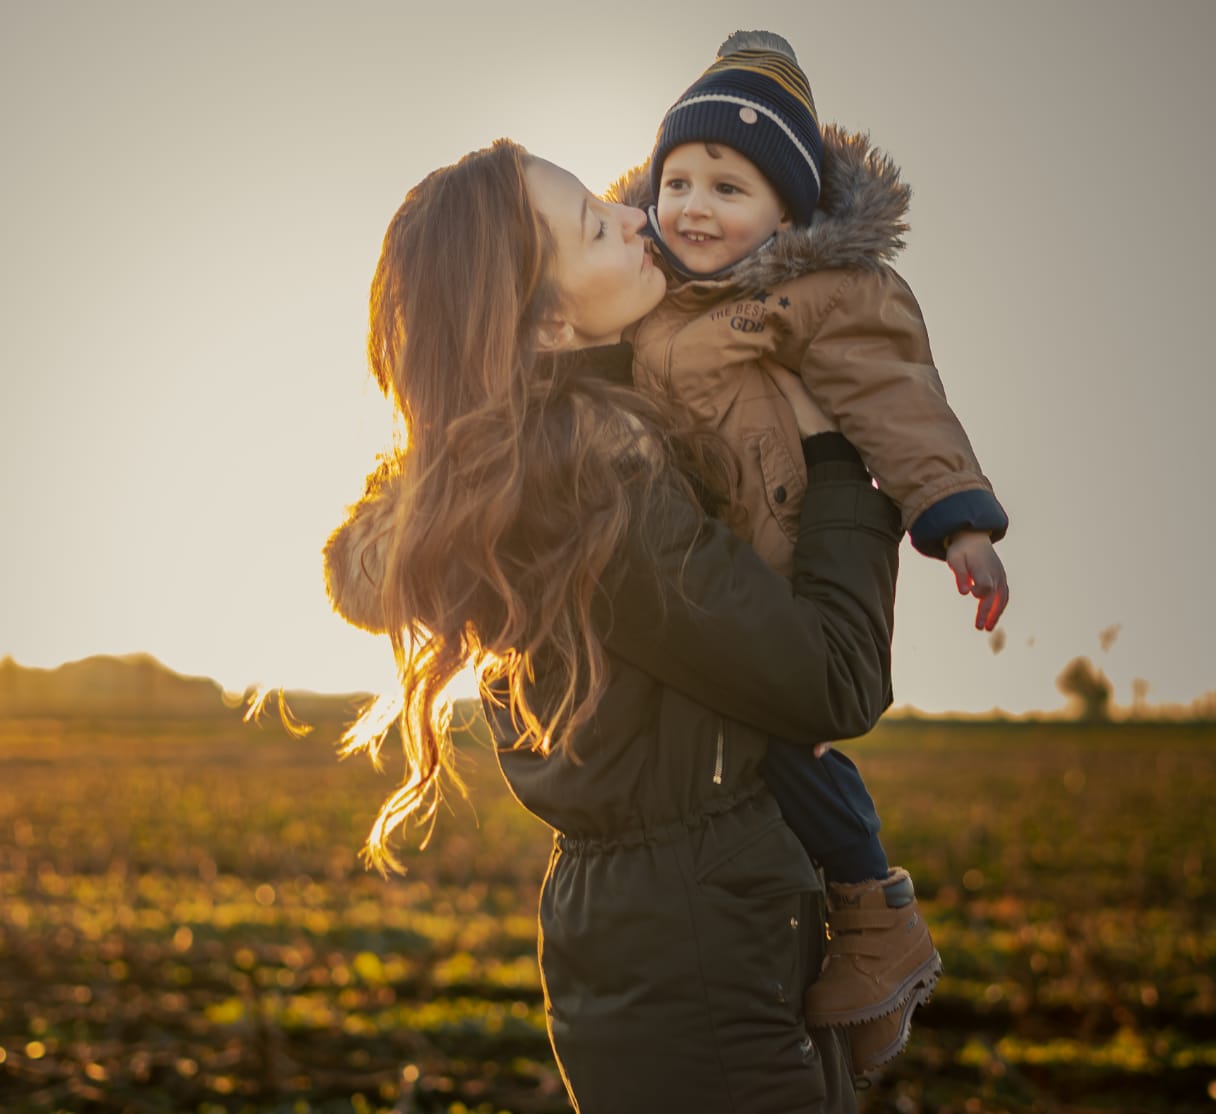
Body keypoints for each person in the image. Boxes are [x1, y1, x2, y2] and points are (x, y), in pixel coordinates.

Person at [323, 138, 903, 1111]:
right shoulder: (596, 493)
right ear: (547, 322)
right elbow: (833, 678)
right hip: (702, 950)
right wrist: (842, 466)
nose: (635, 217)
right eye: (596, 224)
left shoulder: (535, 472)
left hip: (657, 929)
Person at [604, 30, 1012, 1068]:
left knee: (793, 743)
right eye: (677, 179)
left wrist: (956, 516)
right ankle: (854, 942)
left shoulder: (824, 293)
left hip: (777, 563)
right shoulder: (645, 292)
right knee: (740, 752)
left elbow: (895, 397)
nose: (692, 205)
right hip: (691, 570)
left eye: (727, 187)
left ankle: (877, 912)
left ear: (787, 211)